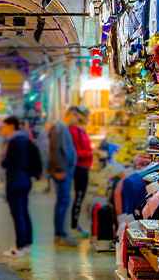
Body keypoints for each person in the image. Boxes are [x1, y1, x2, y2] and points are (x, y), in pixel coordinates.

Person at [1, 116, 38, 257]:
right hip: (25, 180)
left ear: (11, 126)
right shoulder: (25, 139)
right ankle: (27, 243)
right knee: (23, 211)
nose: (2, 130)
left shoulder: (14, 142)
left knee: (18, 214)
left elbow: (7, 163)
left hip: (15, 181)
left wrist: (4, 159)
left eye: (4, 126)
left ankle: (20, 246)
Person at [48, 108, 78, 247]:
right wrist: (59, 169)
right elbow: (55, 149)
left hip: (65, 170)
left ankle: (60, 234)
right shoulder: (59, 128)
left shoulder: (62, 128)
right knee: (62, 202)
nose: (76, 119)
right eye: (75, 116)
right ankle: (60, 235)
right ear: (69, 114)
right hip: (62, 171)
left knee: (63, 202)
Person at [69, 106, 93, 238]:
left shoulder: (80, 130)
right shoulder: (74, 131)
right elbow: (75, 153)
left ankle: (75, 224)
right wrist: (91, 153)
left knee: (80, 197)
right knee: (78, 197)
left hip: (84, 167)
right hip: (79, 168)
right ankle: (74, 225)